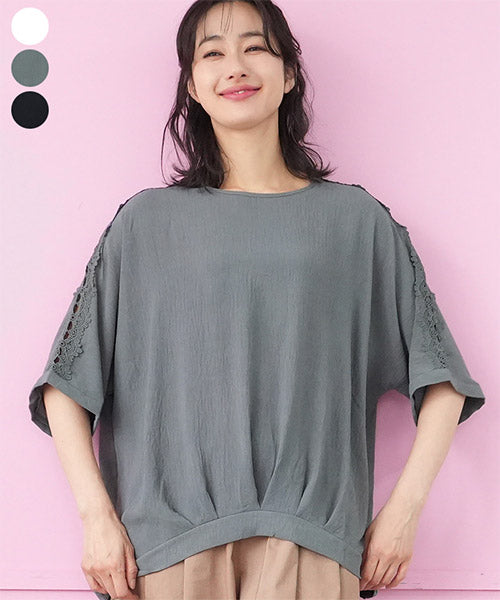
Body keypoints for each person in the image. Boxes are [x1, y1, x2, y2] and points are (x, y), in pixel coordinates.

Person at [28, 1, 486, 599]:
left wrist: (403, 514)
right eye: (212, 53)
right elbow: (66, 384)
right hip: (167, 547)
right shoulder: (143, 225)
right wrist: (97, 522)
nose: (235, 66)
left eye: (255, 47)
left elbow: (443, 378)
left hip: (313, 543)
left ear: (289, 73)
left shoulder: (355, 221)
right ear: (192, 86)